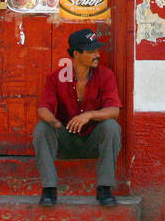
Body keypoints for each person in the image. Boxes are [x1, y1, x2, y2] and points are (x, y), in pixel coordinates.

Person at [33, 28, 122, 207]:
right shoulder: (56, 77)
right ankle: (49, 190)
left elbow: (114, 111)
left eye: (98, 51)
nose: (97, 55)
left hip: (93, 140)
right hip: (65, 139)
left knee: (112, 126)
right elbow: (43, 108)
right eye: (91, 51)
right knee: (42, 128)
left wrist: (90, 115)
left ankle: (104, 189)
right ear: (76, 54)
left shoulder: (106, 75)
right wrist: (53, 122)